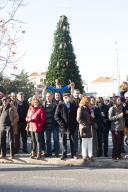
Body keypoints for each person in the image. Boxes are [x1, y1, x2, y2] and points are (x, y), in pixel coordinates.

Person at [54, 92, 78, 160]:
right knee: (63, 140)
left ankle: (73, 154)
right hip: (63, 126)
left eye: (68, 97)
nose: (67, 98)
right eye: (65, 97)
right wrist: (61, 123)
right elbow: (56, 116)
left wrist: (75, 123)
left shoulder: (73, 105)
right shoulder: (60, 105)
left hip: (72, 126)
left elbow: (76, 115)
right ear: (63, 98)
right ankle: (64, 154)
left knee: (72, 140)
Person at [77, 96, 93, 161]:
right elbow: (78, 119)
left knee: (90, 141)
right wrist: (84, 125)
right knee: (84, 142)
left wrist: (92, 116)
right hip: (84, 128)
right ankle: (84, 155)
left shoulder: (88, 108)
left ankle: (90, 155)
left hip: (89, 127)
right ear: (86, 101)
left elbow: (90, 118)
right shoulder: (81, 108)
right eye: (88, 101)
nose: (90, 102)